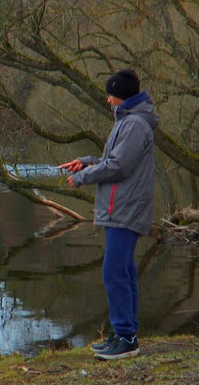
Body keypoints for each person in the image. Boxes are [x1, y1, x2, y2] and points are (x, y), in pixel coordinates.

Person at [59, 68, 159, 360]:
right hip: (121, 207)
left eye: (111, 94)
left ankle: (126, 338)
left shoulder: (135, 125)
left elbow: (118, 168)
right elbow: (111, 161)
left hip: (125, 208)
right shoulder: (128, 122)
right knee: (123, 271)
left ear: (122, 96)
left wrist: (82, 177)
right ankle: (124, 334)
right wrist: (85, 162)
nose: (107, 100)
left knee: (114, 272)